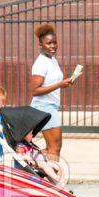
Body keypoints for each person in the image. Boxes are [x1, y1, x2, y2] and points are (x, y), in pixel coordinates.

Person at [29, 23, 73, 162]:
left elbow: (52, 82)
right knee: (55, 147)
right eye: (49, 43)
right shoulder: (41, 63)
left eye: (55, 43)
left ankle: (29, 160)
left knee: (52, 147)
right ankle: (55, 180)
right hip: (44, 107)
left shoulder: (51, 59)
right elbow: (35, 91)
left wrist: (65, 82)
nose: (53, 46)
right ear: (40, 45)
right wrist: (60, 84)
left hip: (50, 106)